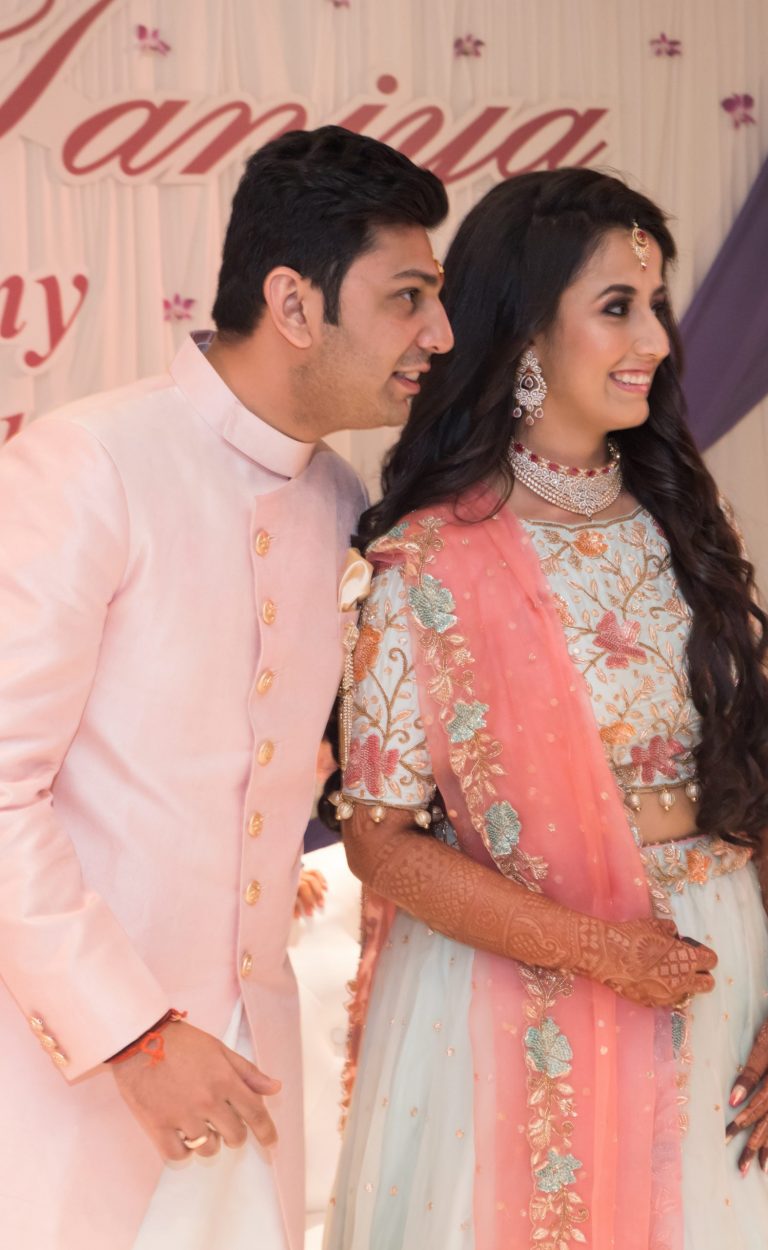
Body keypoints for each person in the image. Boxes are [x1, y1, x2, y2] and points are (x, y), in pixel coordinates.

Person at [324, 169, 768, 1249]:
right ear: (523, 335)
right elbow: (377, 841)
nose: (654, 338)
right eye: (616, 307)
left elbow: (767, 768)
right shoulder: (426, 562)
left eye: (656, 305)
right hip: (521, 986)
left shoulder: (681, 524)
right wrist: (601, 950)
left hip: (719, 975)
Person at [0, 125, 452, 1250]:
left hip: (251, 1076)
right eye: (406, 298)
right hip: (68, 1079)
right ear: (293, 303)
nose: (436, 335)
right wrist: (134, 1033)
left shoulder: (339, 499)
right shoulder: (89, 463)